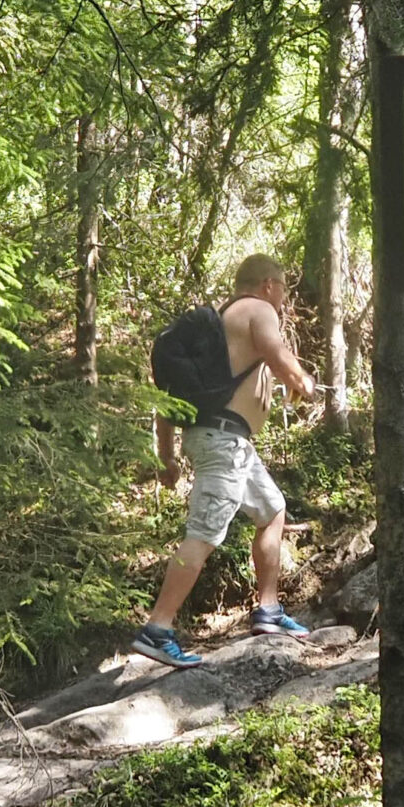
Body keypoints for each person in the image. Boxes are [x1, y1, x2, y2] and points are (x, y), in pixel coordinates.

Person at [134, 254, 318, 668]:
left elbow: (170, 401)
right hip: (224, 444)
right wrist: (301, 379)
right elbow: (277, 353)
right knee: (203, 533)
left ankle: (268, 611)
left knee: (272, 509)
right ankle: (157, 629)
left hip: (226, 442)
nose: (284, 298)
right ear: (269, 284)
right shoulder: (258, 310)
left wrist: (167, 457)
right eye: (284, 288)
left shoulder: (215, 328)